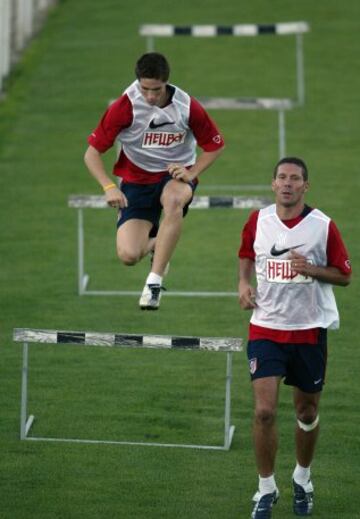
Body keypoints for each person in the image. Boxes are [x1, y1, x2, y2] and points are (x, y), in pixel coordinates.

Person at [238, 157, 351, 519]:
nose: (287, 184)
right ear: (273, 184)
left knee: (307, 411)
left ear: (306, 186)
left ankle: (303, 478)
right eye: (282, 178)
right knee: (265, 411)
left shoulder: (322, 226)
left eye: (295, 179)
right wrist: (243, 283)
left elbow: (344, 275)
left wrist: (312, 269)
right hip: (266, 328)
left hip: (308, 331)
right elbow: (245, 253)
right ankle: (265, 489)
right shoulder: (258, 220)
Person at [84, 52, 225, 309]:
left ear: (166, 83)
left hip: (174, 176)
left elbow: (215, 145)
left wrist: (191, 174)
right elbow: (91, 154)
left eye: (156, 90)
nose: (150, 96)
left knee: (174, 200)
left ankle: (154, 283)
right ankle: (158, 246)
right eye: (144, 89)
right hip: (136, 181)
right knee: (128, 255)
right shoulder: (124, 107)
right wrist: (109, 186)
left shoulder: (186, 106)